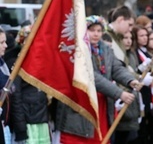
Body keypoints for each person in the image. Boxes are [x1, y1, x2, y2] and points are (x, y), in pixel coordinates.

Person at [55, 15, 142, 144]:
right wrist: (119, 93)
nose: (96, 34)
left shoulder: (105, 49)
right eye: (92, 30)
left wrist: (130, 80)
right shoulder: (76, 49)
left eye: (99, 31)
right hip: (81, 104)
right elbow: (91, 76)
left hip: (101, 103)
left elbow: (116, 68)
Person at [10, 25, 50, 144]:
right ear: (22, 42)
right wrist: (21, 127)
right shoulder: (18, 64)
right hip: (28, 122)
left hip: (42, 120)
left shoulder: (44, 61)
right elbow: (15, 97)